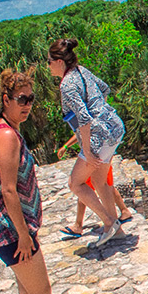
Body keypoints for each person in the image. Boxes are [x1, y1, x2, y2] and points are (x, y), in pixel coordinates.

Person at [0, 68, 90, 294]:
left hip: (8, 233)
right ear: (6, 99)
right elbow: (8, 190)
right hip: (14, 235)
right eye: (21, 99)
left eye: (31, 98)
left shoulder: (6, 131)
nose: (27, 104)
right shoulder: (6, 137)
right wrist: (24, 236)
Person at [49, 38, 127, 249]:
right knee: (100, 182)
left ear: (59, 61)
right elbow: (104, 88)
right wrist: (99, 108)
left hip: (97, 136)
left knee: (75, 183)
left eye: (49, 61)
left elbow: (82, 117)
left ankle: (109, 222)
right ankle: (117, 231)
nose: (48, 66)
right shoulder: (82, 71)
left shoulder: (66, 85)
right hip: (114, 128)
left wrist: (85, 150)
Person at [57, 131, 133, 238]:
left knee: (84, 189)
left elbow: (84, 129)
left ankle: (78, 225)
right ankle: (124, 212)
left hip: (95, 158)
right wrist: (66, 145)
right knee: (106, 186)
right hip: (100, 155)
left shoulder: (86, 118)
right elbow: (80, 132)